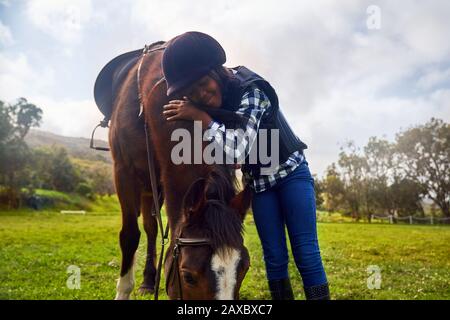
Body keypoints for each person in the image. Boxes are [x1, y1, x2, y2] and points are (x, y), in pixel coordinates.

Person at [161, 31, 330, 300]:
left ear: (217, 72)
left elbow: (238, 147)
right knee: (274, 257)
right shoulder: (212, 105)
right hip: (259, 185)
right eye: (192, 93)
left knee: (306, 253)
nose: (202, 94)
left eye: (204, 83)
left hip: (291, 176)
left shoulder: (253, 90)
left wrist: (199, 117)